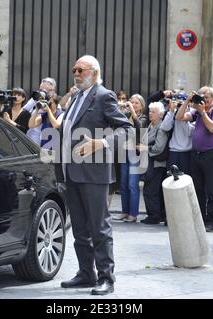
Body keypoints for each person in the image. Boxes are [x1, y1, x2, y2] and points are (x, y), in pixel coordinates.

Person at [56, 55, 133, 296]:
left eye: (81, 69)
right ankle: (85, 273)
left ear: (95, 72)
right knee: (79, 228)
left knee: (99, 228)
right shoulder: (77, 96)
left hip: (94, 173)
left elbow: (127, 130)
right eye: (74, 69)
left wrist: (101, 142)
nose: (76, 73)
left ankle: (106, 278)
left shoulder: (103, 96)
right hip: (72, 171)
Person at [175, 87, 213, 232]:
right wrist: (187, 101)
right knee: (198, 189)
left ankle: (212, 220)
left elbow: (212, 128)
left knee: (212, 189)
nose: (204, 100)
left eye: (206, 98)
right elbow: (179, 117)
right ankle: (200, 218)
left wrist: (203, 112)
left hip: (210, 154)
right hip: (195, 154)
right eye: (201, 97)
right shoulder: (196, 111)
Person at [113, 94, 147, 223]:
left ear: (141, 105)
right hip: (124, 151)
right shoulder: (126, 116)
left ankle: (133, 213)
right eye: (131, 102)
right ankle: (124, 211)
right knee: (123, 184)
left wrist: (131, 110)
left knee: (133, 184)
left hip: (134, 153)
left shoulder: (143, 118)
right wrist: (120, 109)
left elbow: (139, 127)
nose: (133, 104)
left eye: (136, 103)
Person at [137, 102, 168, 225]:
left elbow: (159, 147)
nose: (150, 114)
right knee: (149, 189)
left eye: (153, 112)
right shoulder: (150, 125)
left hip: (156, 164)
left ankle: (154, 216)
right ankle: (154, 214)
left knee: (151, 191)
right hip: (149, 163)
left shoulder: (161, 127)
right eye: (149, 111)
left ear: (160, 114)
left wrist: (145, 149)